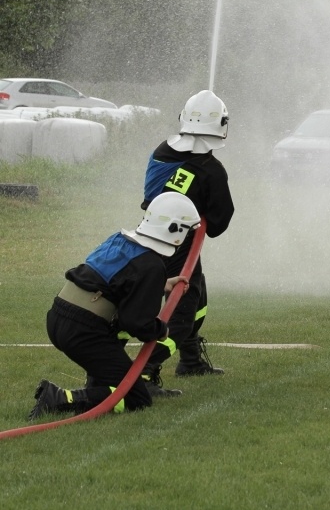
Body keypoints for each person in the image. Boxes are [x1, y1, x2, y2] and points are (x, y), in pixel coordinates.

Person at [28, 192, 201, 420]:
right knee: (136, 398)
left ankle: (94, 386)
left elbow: (117, 282)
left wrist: (160, 285)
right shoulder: (152, 265)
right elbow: (137, 323)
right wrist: (162, 330)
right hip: (84, 330)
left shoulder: (121, 240)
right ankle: (59, 398)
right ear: (175, 231)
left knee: (112, 378)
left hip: (60, 316)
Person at [139, 90, 235, 397]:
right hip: (180, 244)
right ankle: (144, 373)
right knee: (181, 311)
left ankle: (191, 361)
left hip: (154, 234)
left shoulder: (163, 149)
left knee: (198, 298)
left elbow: (157, 196)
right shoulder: (211, 170)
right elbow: (218, 224)